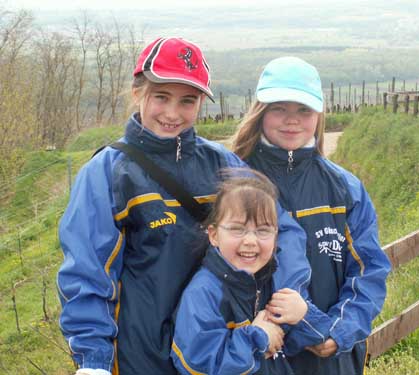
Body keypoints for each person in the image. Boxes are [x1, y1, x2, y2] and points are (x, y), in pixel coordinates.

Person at [57, 38, 311, 375]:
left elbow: (281, 227)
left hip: (219, 351)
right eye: (161, 97)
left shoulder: (221, 163)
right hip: (143, 357)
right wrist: (93, 361)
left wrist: (287, 296)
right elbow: (87, 272)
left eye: (187, 101)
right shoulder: (109, 173)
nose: (172, 113)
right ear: (138, 93)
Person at [232, 56, 392, 375]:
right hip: (253, 357)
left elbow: (368, 270)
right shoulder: (234, 182)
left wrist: (339, 331)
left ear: (319, 114)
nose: (292, 120)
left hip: (327, 360)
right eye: (280, 108)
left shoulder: (345, 189)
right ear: (260, 111)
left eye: (303, 110)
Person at [171, 170, 333, 375]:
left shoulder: (272, 282)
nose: (250, 241)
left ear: (276, 235)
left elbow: (318, 340)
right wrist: (257, 338)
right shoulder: (203, 293)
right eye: (237, 229)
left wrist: (304, 315)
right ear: (214, 236)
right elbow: (197, 366)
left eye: (263, 230)